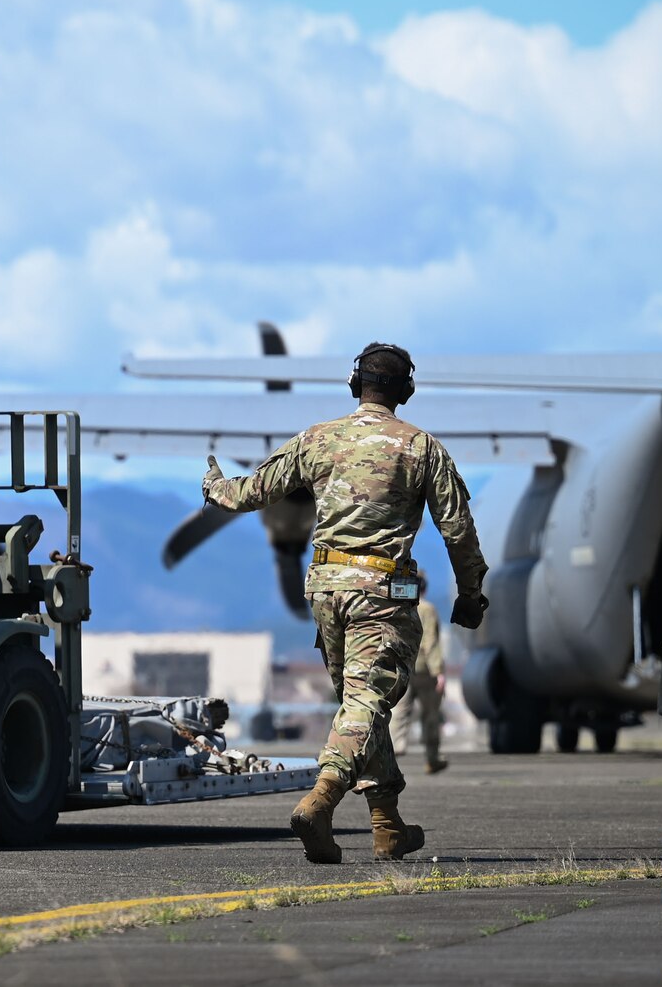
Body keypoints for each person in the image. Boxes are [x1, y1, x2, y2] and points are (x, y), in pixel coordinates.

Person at [203, 343, 488, 863]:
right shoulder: (421, 447)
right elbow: (458, 529)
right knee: (366, 702)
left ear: (355, 384)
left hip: (325, 591)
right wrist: (470, 594)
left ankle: (387, 825)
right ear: (407, 390)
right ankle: (320, 800)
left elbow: (253, 492)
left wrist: (216, 485)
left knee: (360, 705)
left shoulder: (318, 438)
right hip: (382, 593)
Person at [389, 576, 448, 775]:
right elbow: (430, 641)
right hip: (424, 670)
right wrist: (438, 671)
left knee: (399, 712)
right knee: (430, 715)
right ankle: (432, 758)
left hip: (403, 666)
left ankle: (397, 747)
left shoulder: (399, 608)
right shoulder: (427, 609)